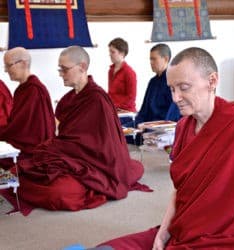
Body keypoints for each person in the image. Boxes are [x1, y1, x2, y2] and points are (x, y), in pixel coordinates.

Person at [94, 47, 234, 249]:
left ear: (212, 81)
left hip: (226, 235)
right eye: (171, 89)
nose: (175, 98)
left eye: (184, 87)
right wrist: (162, 233)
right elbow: (180, 191)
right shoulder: (183, 127)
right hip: (183, 226)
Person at [17, 46, 149, 211]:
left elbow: (103, 145)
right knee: (25, 169)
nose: (60, 74)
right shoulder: (68, 99)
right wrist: (56, 147)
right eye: (60, 69)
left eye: (64, 69)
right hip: (70, 158)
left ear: (83, 67)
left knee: (59, 193)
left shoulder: (97, 100)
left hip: (93, 163)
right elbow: (67, 136)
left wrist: (58, 148)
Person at [0, 47, 55, 168]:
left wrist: (3, 133)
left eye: (8, 65)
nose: (6, 70)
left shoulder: (34, 90)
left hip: (31, 151)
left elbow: (22, 130)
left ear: (23, 63)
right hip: (21, 143)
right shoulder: (21, 89)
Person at [108, 37, 137, 113]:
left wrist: (115, 106)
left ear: (122, 53)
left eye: (113, 52)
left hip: (126, 111)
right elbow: (111, 94)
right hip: (114, 109)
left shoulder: (129, 72)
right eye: (110, 52)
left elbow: (131, 98)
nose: (110, 55)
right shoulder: (111, 70)